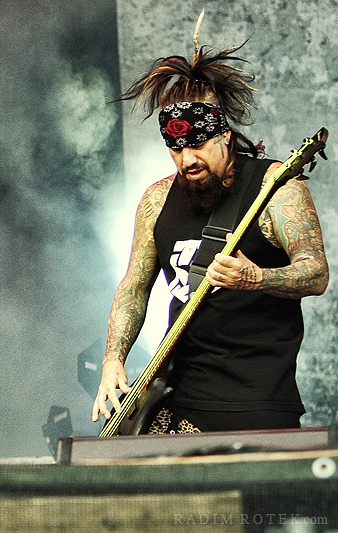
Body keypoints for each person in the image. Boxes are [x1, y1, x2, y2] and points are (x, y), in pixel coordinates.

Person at [91, 31, 329, 434]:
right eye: (176, 148)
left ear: (224, 135)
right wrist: (113, 359)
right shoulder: (157, 200)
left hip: (258, 406)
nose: (187, 159)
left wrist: (256, 278)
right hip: (177, 401)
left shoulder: (275, 186)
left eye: (198, 144)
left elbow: (316, 273)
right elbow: (134, 286)